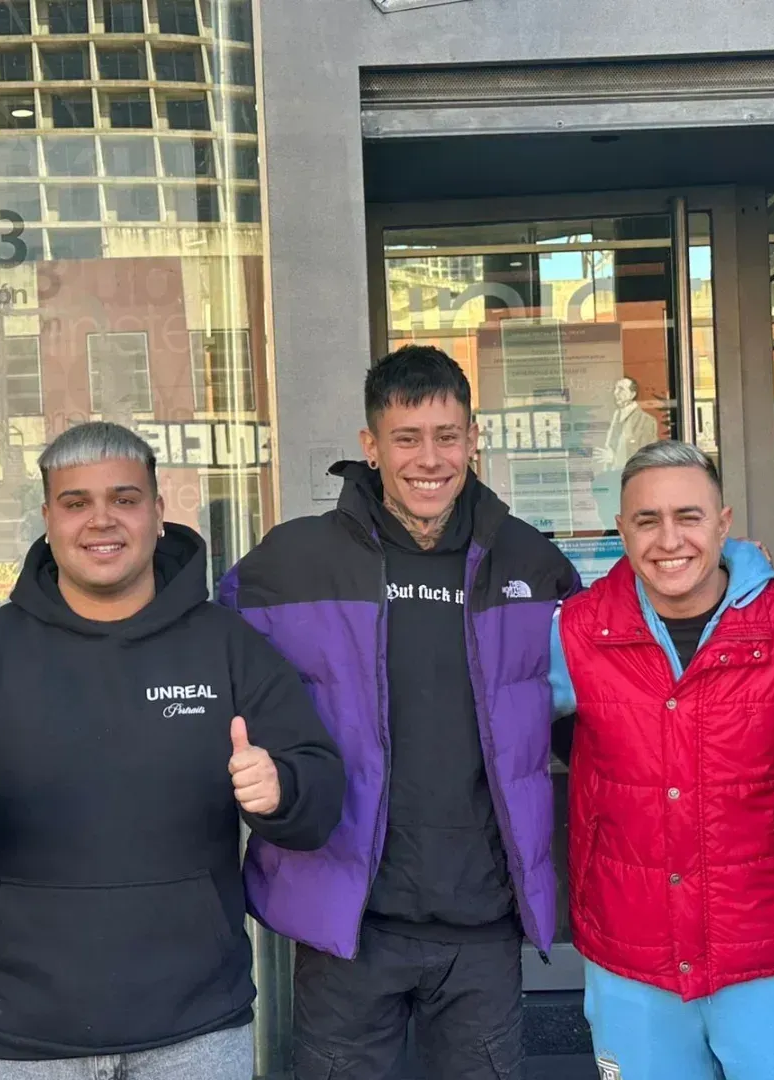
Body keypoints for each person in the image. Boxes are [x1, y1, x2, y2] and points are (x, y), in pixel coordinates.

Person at [0, 421, 345, 1080]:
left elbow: (321, 795)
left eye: (124, 499)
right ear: (48, 518)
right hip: (24, 1036)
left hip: (196, 1029)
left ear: (157, 513)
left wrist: (281, 790)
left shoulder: (227, 647)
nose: (102, 519)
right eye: (77, 502)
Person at [218, 345, 580, 1079]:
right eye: (406, 437)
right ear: (370, 446)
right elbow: (199, 662)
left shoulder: (534, 566)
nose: (430, 459)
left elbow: (601, 704)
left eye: (448, 436)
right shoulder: (289, 565)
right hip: (348, 920)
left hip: (483, 922)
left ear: (474, 438)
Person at [549, 440, 774, 1079]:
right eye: (646, 521)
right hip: (632, 952)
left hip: (767, 946)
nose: (668, 539)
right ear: (621, 529)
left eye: (689, 517)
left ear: (724, 523)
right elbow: (496, 739)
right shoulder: (574, 633)